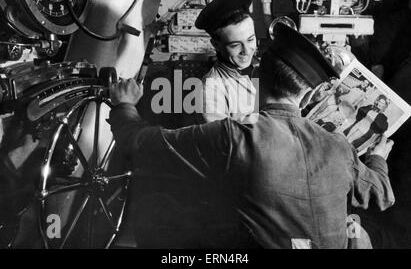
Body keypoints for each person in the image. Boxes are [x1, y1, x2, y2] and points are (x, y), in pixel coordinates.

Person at [108, 23, 395, 249]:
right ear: (308, 94)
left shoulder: (234, 137)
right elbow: (381, 195)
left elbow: (139, 143)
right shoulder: (338, 146)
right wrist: (378, 159)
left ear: (258, 78)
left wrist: (124, 105)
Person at [194, 0, 258, 122]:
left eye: (251, 40)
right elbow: (226, 141)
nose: (246, 51)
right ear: (216, 45)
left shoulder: (264, 67)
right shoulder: (210, 90)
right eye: (235, 45)